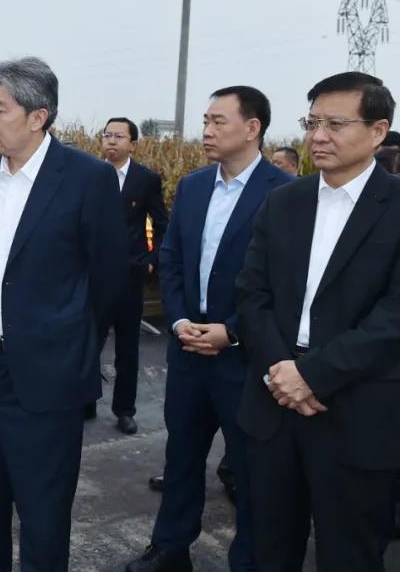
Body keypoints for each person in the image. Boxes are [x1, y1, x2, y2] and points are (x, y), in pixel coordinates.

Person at [0, 57, 127, 572]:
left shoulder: (87, 178)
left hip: (45, 379)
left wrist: (68, 346)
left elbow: (109, 277)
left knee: (43, 520)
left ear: (38, 117)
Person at [125, 86, 292, 572]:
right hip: (188, 348)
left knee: (251, 468)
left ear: (252, 127)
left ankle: (250, 559)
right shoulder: (194, 186)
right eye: (205, 121)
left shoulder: (285, 193)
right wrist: (179, 319)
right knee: (182, 455)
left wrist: (232, 331)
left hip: (246, 357)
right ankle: (170, 547)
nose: (207, 130)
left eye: (219, 121)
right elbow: (172, 258)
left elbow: (286, 281)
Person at [238, 72, 400, 571]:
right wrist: (281, 371)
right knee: (268, 550)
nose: (319, 136)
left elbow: (393, 317)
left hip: (357, 410)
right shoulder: (284, 201)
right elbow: (251, 294)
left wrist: (313, 375)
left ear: (378, 131)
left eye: (335, 124)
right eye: (312, 123)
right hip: (274, 403)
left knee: (350, 555)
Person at [97, 117, 169, 434]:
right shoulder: (90, 174)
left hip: (130, 274)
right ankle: (85, 399)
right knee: (88, 341)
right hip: (94, 275)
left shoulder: (146, 179)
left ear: (133, 144)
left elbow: (163, 225)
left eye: (118, 136)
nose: (111, 140)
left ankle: (124, 409)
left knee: (127, 348)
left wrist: (151, 261)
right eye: (107, 135)